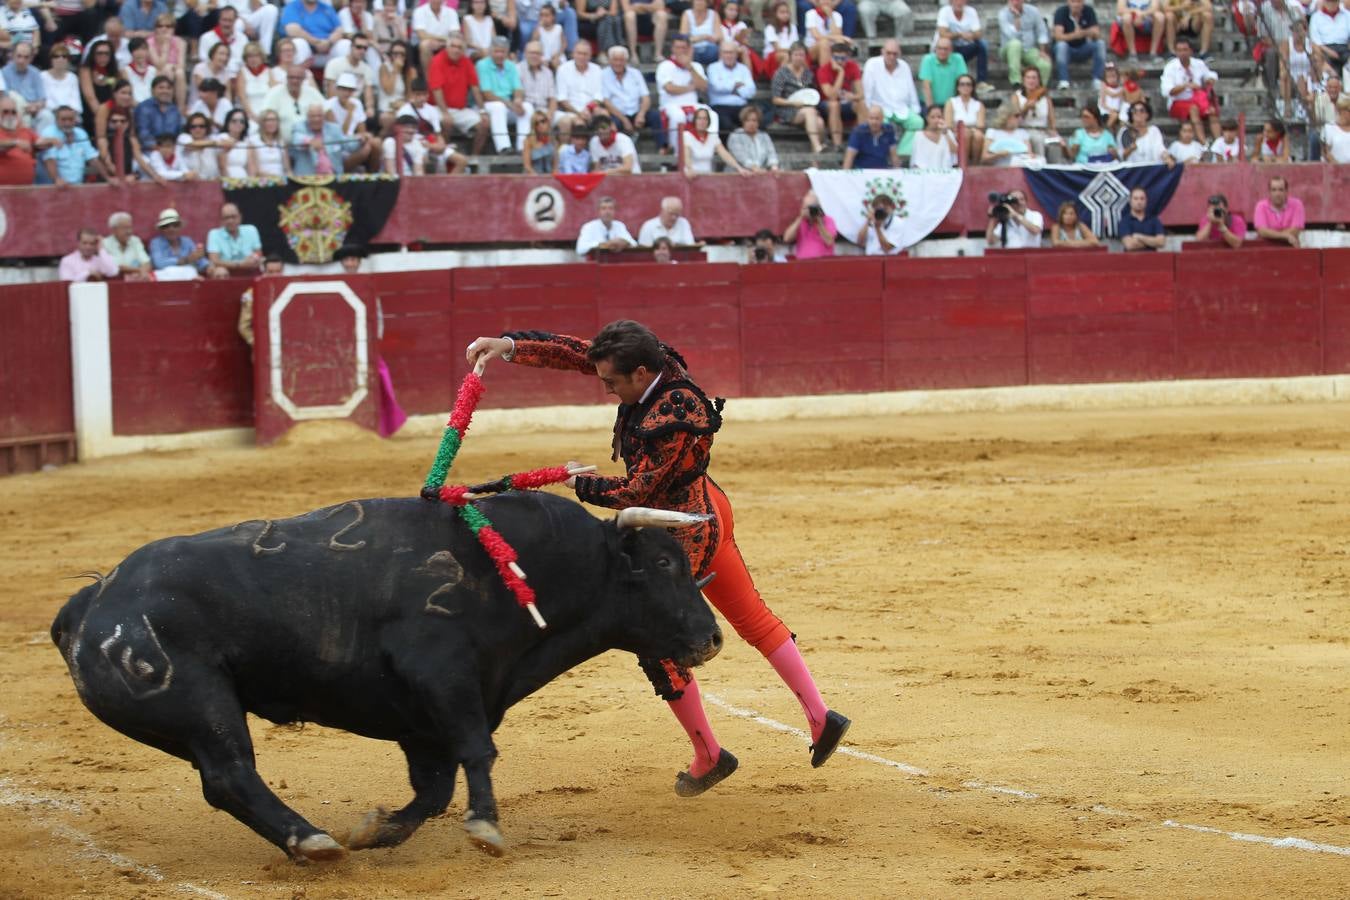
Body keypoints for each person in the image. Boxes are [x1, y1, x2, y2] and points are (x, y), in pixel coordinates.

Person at [465, 320, 852, 796]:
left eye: (612, 383)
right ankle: (820, 717)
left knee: (657, 643)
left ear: (640, 371)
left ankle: (709, 754)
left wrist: (575, 482)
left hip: (680, 530)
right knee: (751, 616)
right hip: (709, 509)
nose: (605, 389)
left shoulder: (673, 411)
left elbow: (636, 489)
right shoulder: (651, 366)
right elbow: (578, 353)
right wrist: (508, 346)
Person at [428, 33, 489, 156]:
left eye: (459, 47)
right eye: (453, 46)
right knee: (446, 122)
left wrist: (482, 111)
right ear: (447, 47)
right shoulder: (437, 61)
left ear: (464, 50)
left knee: (484, 124)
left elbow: (475, 88)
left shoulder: (466, 62)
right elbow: (437, 90)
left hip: (460, 109)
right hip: (437, 107)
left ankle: (474, 158)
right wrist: (445, 112)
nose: (456, 50)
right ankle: (445, 157)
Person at [861, 38, 923, 156]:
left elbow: (911, 90)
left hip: (901, 108)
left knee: (918, 122)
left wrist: (915, 110)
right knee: (880, 124)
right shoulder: (872, 64)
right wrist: (869, 111)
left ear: (899, 54)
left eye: (895, 54)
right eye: (888, 53)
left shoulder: (904, 66)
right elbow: (867, 91)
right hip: (880, 108)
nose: (891, 57)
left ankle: (902, 152)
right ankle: (883, 153)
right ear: (882, 52)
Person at [477, 36, 532, 153]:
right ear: (491, 51)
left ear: (507, 53)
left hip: (507, 106)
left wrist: (517, 100)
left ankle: (523, 147)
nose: (500, 55)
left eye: (503, 52)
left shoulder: (510, 65)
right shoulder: (482, 65)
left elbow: (518, 88)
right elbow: (486, 94)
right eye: (497, 51)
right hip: (488, 105)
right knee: (498, 106)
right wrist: (509, 104)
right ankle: (503, 147)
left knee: (527, 107)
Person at [657, 36, 710, 152]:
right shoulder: (665, 66)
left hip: (693, 105)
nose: (681, 50)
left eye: (684, 47)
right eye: (678, 47)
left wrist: (690, 68)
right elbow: (670, 88)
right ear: (672, 49)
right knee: (678, 116)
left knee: (711, 114)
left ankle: (708, 149)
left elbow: (704, 87)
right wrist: (691, 87)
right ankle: (677, 152)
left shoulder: (696, 66)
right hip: (670, 105)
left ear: (689, 49)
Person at [1161, 36, 1220, 140]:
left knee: (1212, 111)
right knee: (1193, 109)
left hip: (1198, 101)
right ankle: (1203, 143)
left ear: (1190, 51)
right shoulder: (1170, 67)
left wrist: (1209, 80)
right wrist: (1185, 86)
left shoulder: (1198, 63)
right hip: (1178, 102)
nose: (1182, 53)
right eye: (1179, 50)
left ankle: (1219, 142)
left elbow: (1211, 75)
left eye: (1185, 50)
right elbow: (1166, 91)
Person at [771, 42, 824, 154]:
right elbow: (775, 99)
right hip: (788, 108)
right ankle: (818, 146)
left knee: (820, 122)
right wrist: (793, 103)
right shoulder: (781, 73)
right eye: (796, 55)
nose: (799, 58)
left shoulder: (808, 74)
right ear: (790, 56)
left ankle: (816, 161)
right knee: (810, 112)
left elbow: (812, 93)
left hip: (807, 108)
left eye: (801, 55)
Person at [150, 207, 227, 277]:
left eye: (175, 225)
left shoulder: (187, 241)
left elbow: (199, 259)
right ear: (161, 230)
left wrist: (210, 267)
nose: (171, 229)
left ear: (180, 227)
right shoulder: (156, 243)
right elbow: (159, 264)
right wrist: (187, 260)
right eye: (166, 226)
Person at [42, 104, 107, 185]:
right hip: (55, 186)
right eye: (63, 120)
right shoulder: (49, 133)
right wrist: (57, 179)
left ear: (75, 120)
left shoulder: (81, 133)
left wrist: (108, 178)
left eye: (70, 119)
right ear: (56, 120)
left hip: (78, 185)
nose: (67, 123)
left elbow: (92, 158)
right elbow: (50, 159)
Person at [601, 45, 654, 141]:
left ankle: (664, 148)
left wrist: (641, 114)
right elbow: (606, 102)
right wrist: (624, 120)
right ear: (609, 61)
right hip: (616, 114)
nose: (618, 63)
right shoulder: (603, 75)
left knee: (655, 116)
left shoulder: (635, 73)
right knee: (611, 123)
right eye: (615, 60)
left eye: (621, 60)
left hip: (636, 112)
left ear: (626, 61)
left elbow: (646, 97)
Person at [292, 101, 360, 174]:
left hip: (333, 177)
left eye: (319, 116)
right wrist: (310, 141)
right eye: (312, 116)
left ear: (324, 116)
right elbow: (296, 139)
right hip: (308, 179)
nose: (316, 119)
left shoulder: (334, 129)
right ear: (307, 117)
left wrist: (360, 139)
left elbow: (349, 145)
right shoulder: (299, 127)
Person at [935, 0, 989, 91]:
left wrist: (971, 35)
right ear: (951, 1)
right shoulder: (944, 11)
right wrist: (960, 35)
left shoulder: (971, 11)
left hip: (965, 47)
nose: (959, 2)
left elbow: (978, 33)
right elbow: (942, 33)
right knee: (946, 42)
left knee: (982, 44)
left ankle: (981, 81)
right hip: (948, 49)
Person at [1051, 0, 1105, 90]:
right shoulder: (1061, 12)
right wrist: (1075, 35)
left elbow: (1097, 33)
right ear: (1068, 2)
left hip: (1083, 47)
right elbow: (1058, 36)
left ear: (1083, 2)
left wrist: (1083, 33)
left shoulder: (1088, 11)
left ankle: (1097, 80)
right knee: (1061, 46)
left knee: (1100, 44)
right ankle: (1063, 80)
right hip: (1067, 49)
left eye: (1078, 2)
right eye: (1073, 2)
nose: (1076, 5)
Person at [998, 0, 1052, 88]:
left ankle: (1040, 89)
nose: (1015, 2)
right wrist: (1016, 17)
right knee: (1015, 44)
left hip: (1028, 49)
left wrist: (1043, 51)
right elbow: (1012, 35)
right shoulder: (1003, 14)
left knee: (1044, 64)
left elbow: (1042, 31)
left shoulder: (1033, 11)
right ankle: (1016, 82)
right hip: (1008, 49)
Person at [1010, 65, 1059, 160]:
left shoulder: (1046, 97)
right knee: (1037, 140)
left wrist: (1054, 132)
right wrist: (1026, 108)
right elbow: (1015, 121)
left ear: (1038, 80)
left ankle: (1056, 169)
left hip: (1043, 130)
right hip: (1024, 130)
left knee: (1056, 143)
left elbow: (1051, 119)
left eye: (1034, 78)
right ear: (1023, 79)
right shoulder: (1016, 96)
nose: (1031, 81)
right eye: (1028, 77)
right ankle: (1040, 168)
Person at [682, 106, 748, 176]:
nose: (702, 121)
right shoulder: (686, 135)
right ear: (695, 121)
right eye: (699, 118)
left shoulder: (713, 137)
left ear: (708, 122)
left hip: (708, 176)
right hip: (691, 175)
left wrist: (739, 168)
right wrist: (689, 168)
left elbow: (724, 154)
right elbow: (686, 155)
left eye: (705, 119)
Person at [708, 40, 755, 135]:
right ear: (720, 54)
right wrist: (736, 86)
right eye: (725, 52)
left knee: (755, 119)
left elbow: (751, 91)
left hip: (742, 107)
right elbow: (717, 87)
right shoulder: (713, 68)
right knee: (726, 124)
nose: (728, 55)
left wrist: (731, 89)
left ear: (737, 54)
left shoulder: (743, 69)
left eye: (731, 52)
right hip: (720, 107)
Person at [3, 42, 51, 134]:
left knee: (47, 115)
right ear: (13, 56)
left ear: (31, 58)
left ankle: (40, 145)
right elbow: (5, 98)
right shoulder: (4, 73)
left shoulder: (35, 73)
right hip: (14, 110)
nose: (22, 60)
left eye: (26, 57)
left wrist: (35, 106)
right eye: (19, 56)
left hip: (33, 110)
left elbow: (42, 99)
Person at [282, 0, 343, 66]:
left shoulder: (326, 8)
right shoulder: (292, 7)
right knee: (298, 42)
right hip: (307, 47)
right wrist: (316, 42)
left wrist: (329, 42)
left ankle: (343, 75)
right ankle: (298, 74)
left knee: (344, 44)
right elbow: (292, 30)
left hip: (328, 46)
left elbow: (339, 30)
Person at [208, 202, 265, 273]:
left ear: (240, 217)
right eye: (226, 218)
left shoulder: (251, 229)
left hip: (250, 269)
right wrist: (240, 264)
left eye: (233, 217)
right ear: (221, 220)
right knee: (219, 270)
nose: (230, 221)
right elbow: (214, 260)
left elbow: (258, 254)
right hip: (226, 272)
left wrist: (254, 259)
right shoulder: (214, 234)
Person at [0, 93, 42, 185]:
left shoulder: (25, 131)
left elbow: (40, 143)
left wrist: (52, 140)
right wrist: (15, 143)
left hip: (24, 191)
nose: (10, 115)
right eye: (5, 111)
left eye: (13, 112)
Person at [782, 189, 836, 258]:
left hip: (823, 264)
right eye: (807, 207)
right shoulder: (800, 221)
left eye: (812, 208)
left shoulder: (828, 220)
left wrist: (819, 223)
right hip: (803, 265)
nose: (810, 211)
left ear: (819, 208)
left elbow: (829, 241)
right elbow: (786, 238)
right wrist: (800, 218)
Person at [919, 37, 968, 113]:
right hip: (930, 103)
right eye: (940, 48)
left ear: (951, 50)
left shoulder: (958, 59)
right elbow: (926, 86)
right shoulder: (928, 60)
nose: (942, 51)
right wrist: (932, 110)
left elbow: (963, 82)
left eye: (945, 49)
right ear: (935, 49)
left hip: (952, 104)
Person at [1253, 175, 1304, 247]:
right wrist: (1286, 236)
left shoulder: (1297, 204)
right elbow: (1262, 231)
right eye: (1274, 190)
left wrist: (1272, 235)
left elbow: (1295, 230)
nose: (1277, 194)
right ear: (1269, 192)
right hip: (1266, 248)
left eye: (1281, 190)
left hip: (1289, 247)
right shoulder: (1261, 206)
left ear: (1286, 191)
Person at [944, 72, 984, 163]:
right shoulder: (951, 102)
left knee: (978, 135)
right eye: (962, 84)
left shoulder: (978, 104)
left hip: (973, 132)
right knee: (965, 134)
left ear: (972, 87)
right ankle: (963, 163)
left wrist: (969, 130)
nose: (965, 87)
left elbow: (980, 125)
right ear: (958, 87)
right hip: (955, 132)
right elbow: (949, 124)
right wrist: (964, 130)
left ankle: (975, 163)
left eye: (968, 84)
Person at [843, 103, 897, 168]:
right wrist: (845, 176)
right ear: (867, 119)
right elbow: (850, 156)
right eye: (871, 118)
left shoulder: (889, 130)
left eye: (877, 119)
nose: (874, 122)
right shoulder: (858, 132)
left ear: (882, 119)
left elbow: (894, 155)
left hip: (883, 171)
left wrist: (898, 173)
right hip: (862, 171)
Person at [102, 211, 153, 280]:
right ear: (114, 230)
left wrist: (142, 272)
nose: (129, 231)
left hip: (136, 279)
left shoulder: (135, 241)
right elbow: (115, 267)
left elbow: (146, 262)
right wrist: (138, 270)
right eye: (125, 228)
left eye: (130, 227)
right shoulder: (105, 243)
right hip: (115, 282)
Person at [727, 105, 779, 171]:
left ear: (758, 122)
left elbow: (771, 153)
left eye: (754, 120)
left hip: (760, 172)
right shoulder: (735, 135)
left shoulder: (764, 135)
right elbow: (742, 158)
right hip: (739, 174)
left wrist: (774, 166)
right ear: (743, 121)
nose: (751, 123)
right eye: (747, 120)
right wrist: (756, 169)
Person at [133, 74, 180, 148]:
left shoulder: (174, 110)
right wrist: (161, 149)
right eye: (161, 88)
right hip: (149, 151)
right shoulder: (143, 108)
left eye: (168, 88)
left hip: (172, 150)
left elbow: (179, 133)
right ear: (152, 90)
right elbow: (143, 135)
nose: (165, 91)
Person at [1309, 0, 1349, 77]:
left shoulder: (1347, 15)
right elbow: (1315, 41)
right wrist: (1329, 51)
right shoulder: (1316, 17)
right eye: (1329, 2)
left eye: (1334, 2)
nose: (1332, 4)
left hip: (1344, 48)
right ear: (1324, 2)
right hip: (1325, 49)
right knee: (1316, 53)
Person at [1119, 185, 1166, 251]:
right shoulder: (1124, 222)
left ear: (1146, 201)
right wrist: (1152, 242)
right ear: (1130, 201)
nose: (1139, 202)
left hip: (1152, 259)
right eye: (1136, 198)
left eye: (1142, 198)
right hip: (1131, 260)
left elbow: (1161, 242)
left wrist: (1140, 237)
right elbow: (1129, 245)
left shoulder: (1154, 220)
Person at [682, 0, 724, 65]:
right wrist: (704, 37)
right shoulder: (687, 14)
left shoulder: (714, 14)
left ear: (707, 3)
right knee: (687, 51)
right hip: (692, 49)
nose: (699, 2)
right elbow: (683, 37)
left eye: (702, 0)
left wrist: (694, 39)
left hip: (711, 49)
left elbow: (719, 36)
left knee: (716, 49)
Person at [1323, 96, 1350, 162]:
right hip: (1336, 169)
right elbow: (1325, 152)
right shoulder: (1329, 128)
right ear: (1342, 111)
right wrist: (1339, 167)